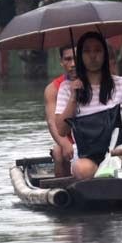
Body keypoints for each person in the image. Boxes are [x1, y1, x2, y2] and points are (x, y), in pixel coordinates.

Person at [55, 32, 122, 179]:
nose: (93, 56)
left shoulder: (121, 84)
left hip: (117, 152)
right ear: (80, 56)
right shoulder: (67, 88)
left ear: (105, 54)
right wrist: (73, 97)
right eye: (87, 51)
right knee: (82, 169)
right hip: (87, 156)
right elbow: (61, 129)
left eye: (97, 50)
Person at [45, 44, 77, 177]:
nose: (73, 64)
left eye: (76, 59)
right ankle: (61, 190)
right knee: (58, 152)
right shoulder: (53, 89)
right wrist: (65, 143)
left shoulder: (94, 81)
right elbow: (52, 123)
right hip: (66, 137)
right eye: (68, 59)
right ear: (61, 61)